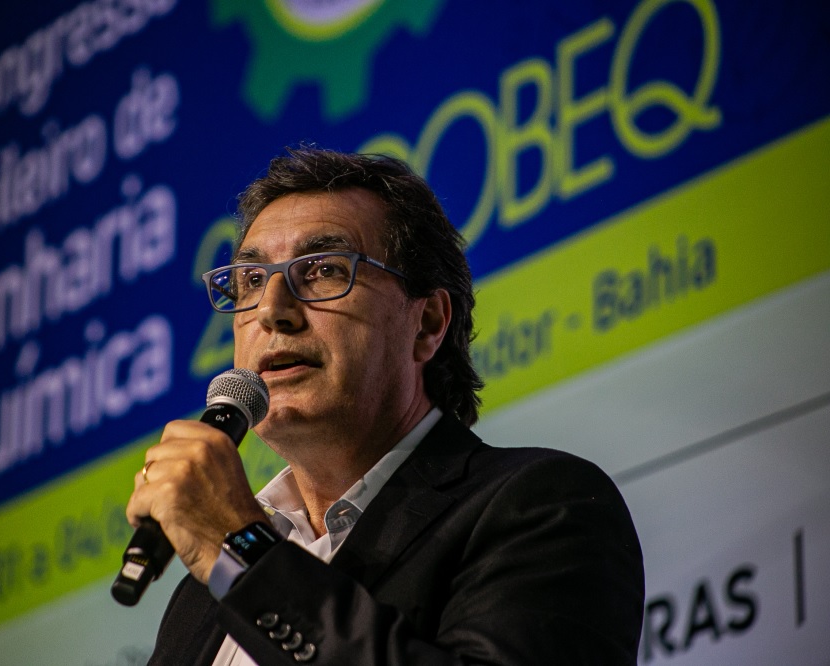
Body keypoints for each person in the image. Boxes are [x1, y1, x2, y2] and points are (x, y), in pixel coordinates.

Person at [126, 146, 645, 665]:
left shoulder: (539, 507)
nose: (272, 311)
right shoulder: (199, 599)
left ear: (427, 324)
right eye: (252, 280)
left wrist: (243, 550)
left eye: (324, 270)